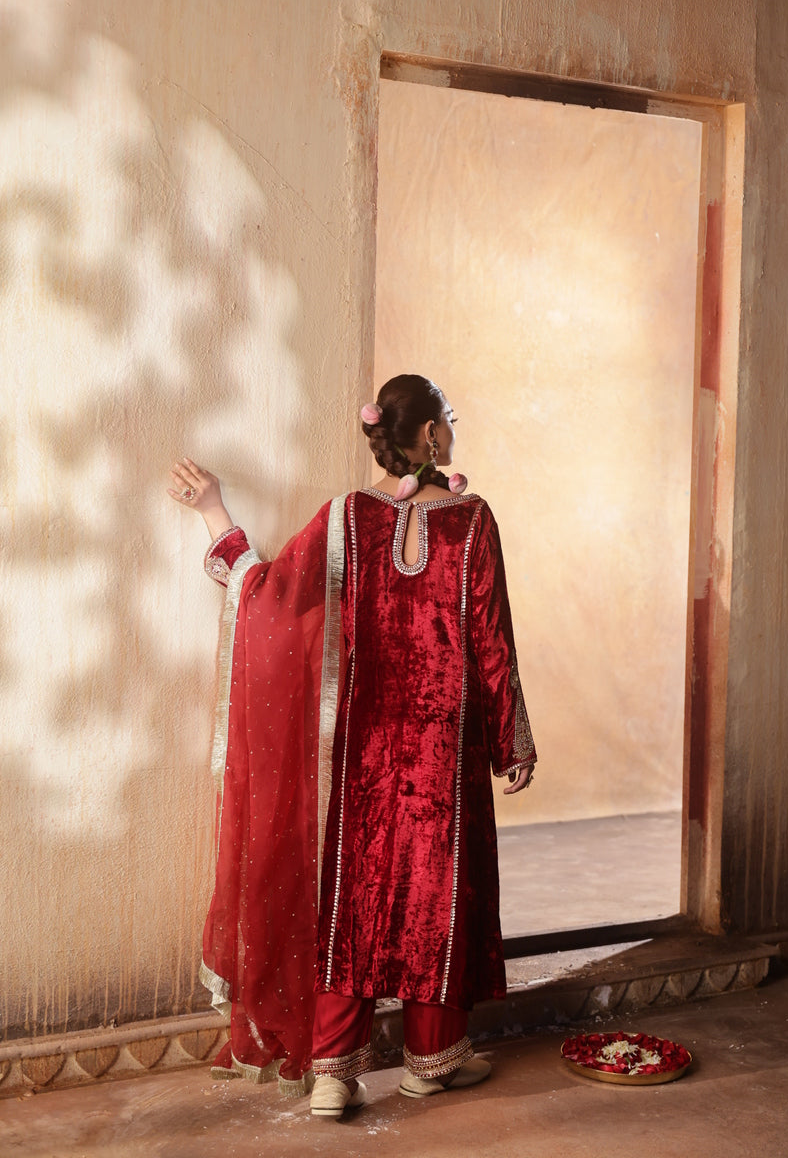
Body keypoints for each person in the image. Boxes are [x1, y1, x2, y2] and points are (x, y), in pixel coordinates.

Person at [169, 373, 536, 1117]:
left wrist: (214, 513)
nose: (453, 431)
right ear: (429, 435)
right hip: (444, 746)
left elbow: (270, 594)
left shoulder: (345, 517)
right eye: (449, 420)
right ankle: (430, 1062)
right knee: (440, 894)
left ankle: (334, 1074)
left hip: (361, 749)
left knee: (351, 895)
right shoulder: (472, 520)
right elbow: (491, 638)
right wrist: (512, 740)